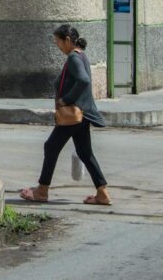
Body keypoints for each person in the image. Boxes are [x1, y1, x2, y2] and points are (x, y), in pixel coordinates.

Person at [20, 24, 111, 206]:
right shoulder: (81, 55)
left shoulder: (73, 58)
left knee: (51, 147)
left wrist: (65, 100)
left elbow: (83, 80)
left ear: (67, 40)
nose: (58, 46)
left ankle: (42, 190)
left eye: (58, 42)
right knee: (84, 152)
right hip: (82, 114)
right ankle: (102, 193)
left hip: (73, 114)